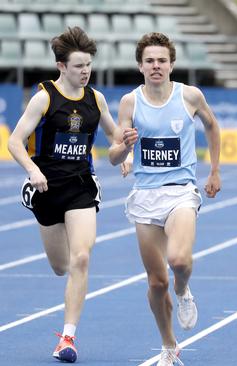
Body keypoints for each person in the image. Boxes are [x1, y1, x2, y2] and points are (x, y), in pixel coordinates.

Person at [108, 32, 221, 366]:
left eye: (161, 60)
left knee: (180, 262)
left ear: (171, 64)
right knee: (157, 282)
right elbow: (114, 157)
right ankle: (169, 346)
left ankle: (184, 290)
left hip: (181, 190)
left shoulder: (189, 96)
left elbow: (213, 127)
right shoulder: (130, 102)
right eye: (149, 61)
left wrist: (214, 171)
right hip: (145, 195)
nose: (156, 66)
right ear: (140, 66)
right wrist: (125, 147)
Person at [7, 27, 118, 363]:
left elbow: (115, 140)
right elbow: (14, 141)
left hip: (81, 185)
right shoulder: (44, 97)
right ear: (61, 66)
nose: (85, 72)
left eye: (88, 66)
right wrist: (33, 170)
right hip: (46, 187)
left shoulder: (95, 99)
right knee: (60, 266)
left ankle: (67, 338)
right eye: (79, 66)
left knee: (81, 258)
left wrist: (124, 148)